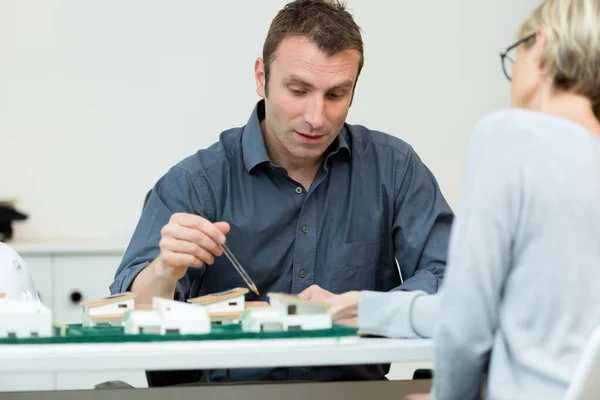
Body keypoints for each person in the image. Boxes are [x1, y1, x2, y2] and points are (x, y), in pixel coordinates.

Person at [110, 0, 453, 384]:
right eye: (298, 90)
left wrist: (371, 308)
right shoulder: (195, 183)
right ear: (262, 77)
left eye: (336, 94)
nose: (316, 117)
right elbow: (130, 314)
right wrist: (163, 271)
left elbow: (454, 278)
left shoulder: (394, 168)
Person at [323, 0, 600, 398]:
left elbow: (468, 323)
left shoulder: (509, 135)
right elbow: (503, 312)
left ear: (538, 46)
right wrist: (367, 308)